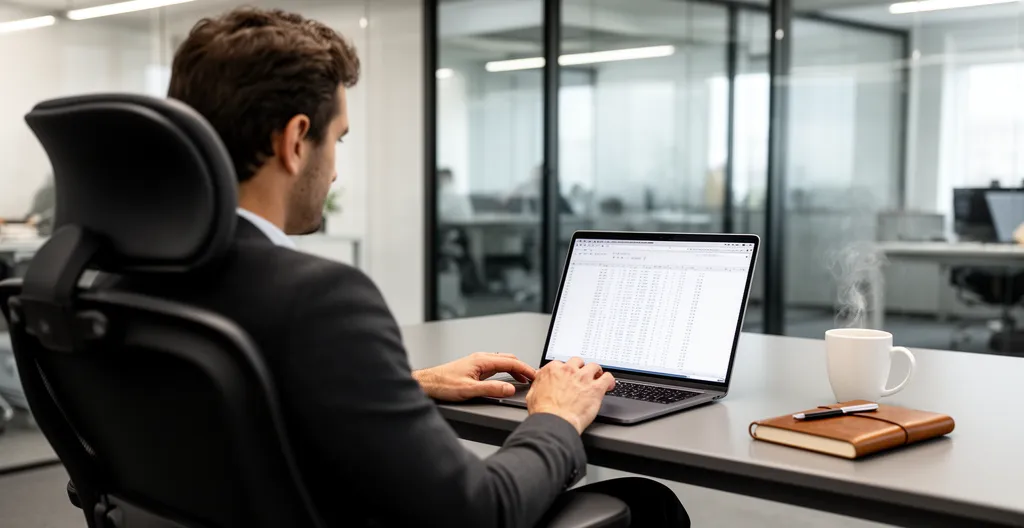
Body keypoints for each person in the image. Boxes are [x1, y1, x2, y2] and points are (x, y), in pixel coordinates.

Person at [112, 8, 688, 527]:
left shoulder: (116, 280)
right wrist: (557, 419)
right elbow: (482, 511)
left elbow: (243, 406)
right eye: (338, 140)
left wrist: (407, 384)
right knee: (646, 503)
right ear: (296, 140)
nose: (334, 171)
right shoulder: (317, 298)